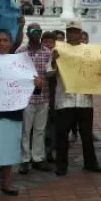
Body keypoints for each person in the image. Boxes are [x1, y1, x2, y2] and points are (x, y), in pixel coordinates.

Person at [0, 29, 43, 197]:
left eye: (5, 40)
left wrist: (37, 85)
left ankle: (7, 183)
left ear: (11, 43)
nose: (2, 43)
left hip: (11, 112)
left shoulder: (20, 62)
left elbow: (30, 88)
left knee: (9, 148)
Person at [49, 20, 101, 176]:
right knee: (62, 135)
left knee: (86, 134)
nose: (73, 34)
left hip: (84, 100)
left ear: (81, 34)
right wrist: (53, 60)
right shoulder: (58, 50)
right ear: (66, 34)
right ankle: (61, 166)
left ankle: (90, 163)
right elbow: (49, 73)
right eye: (70, 31)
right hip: (64, 100)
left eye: (76, 31)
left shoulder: (89, 51)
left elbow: (98, 69)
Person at [16, 23, 53, 174]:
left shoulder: (47, 52)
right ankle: (25, 159)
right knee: (25, 130)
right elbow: (16, 73)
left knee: (40, 130)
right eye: (33, 30)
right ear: (28, 33)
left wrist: (54, 64)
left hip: (43, 96)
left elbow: (50, 73)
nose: (36, 33)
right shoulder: (20, 52)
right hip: (26, 98)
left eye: (39, 31)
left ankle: (38, 158)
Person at [41, 31, 58, 163]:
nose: (47, 44)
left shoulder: (60, 56)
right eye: (45, 41)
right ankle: (44, 151)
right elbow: (48, 74)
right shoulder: (42, 56)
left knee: (54, 126)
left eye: (50, 42)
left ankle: (52, 150)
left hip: (58, 97)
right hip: (43, 96)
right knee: (44, 126)